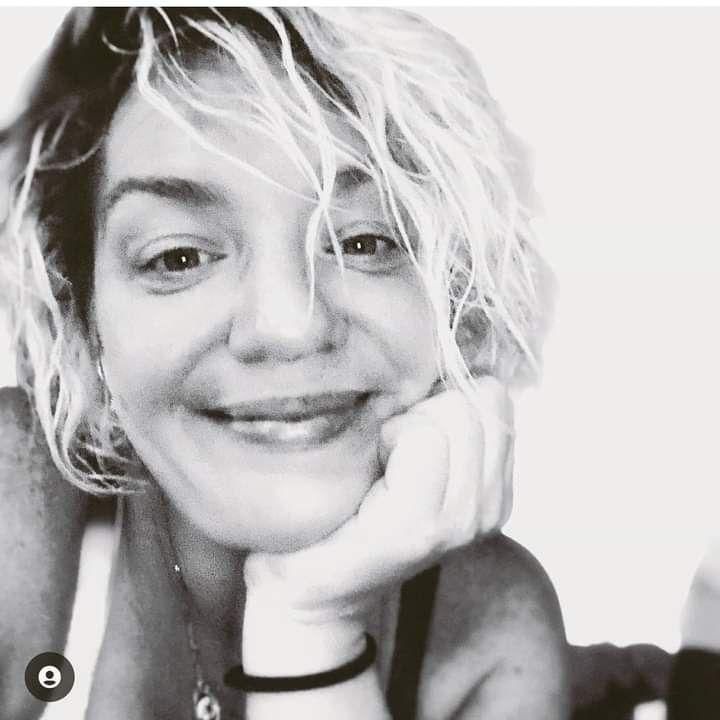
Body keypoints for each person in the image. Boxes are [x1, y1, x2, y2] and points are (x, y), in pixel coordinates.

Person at [0, 7, 567, 719]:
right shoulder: (14, 504)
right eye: (179, 257)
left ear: (456, 297)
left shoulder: (488, 629)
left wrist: (312, 626)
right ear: (82, 321)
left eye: (364, 242)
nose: (290, 326)